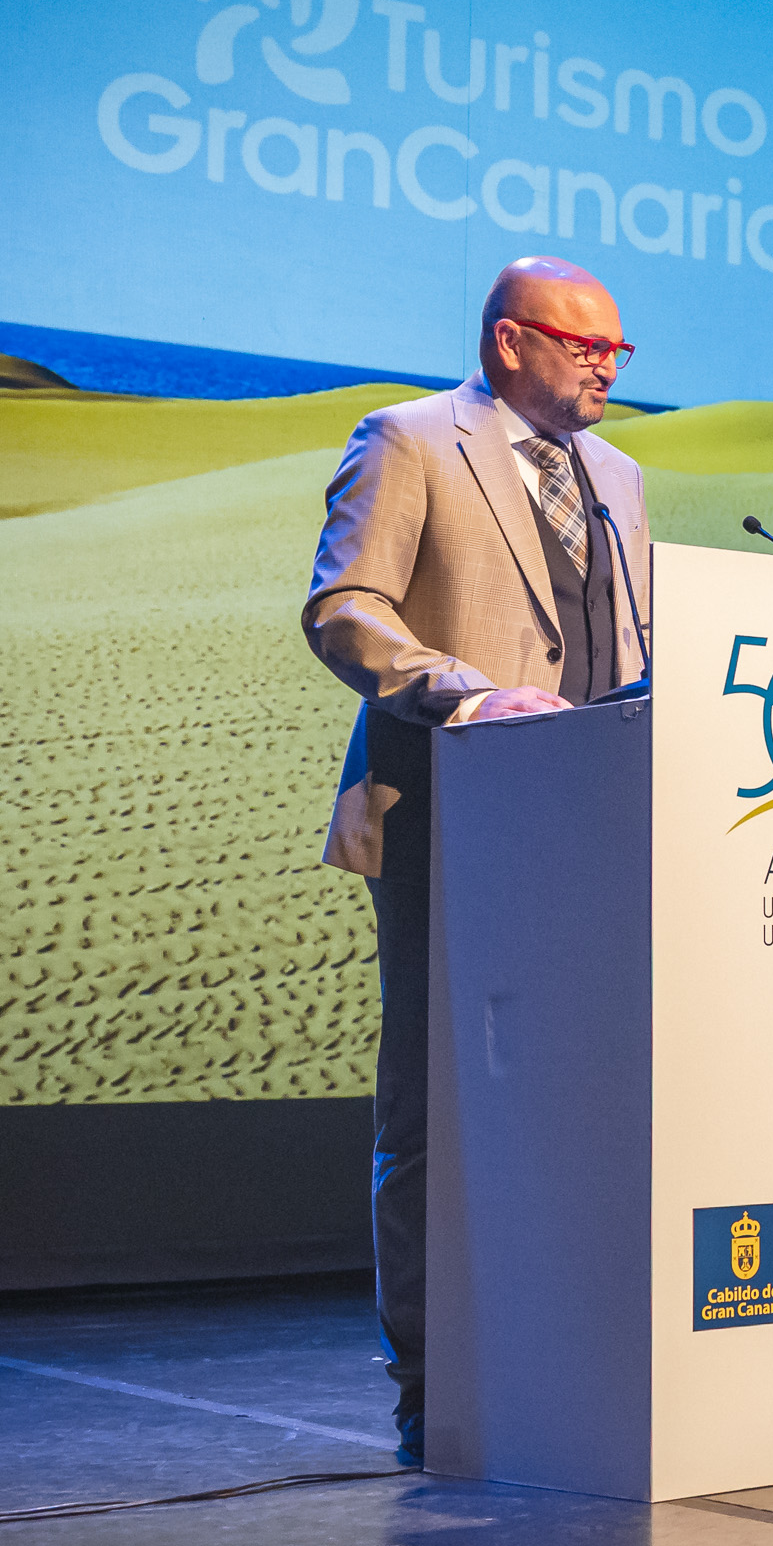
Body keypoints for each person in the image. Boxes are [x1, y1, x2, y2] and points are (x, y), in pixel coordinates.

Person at [301, 256, 649, 1465]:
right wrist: (467, 693)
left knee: (598, 1091)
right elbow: (345, 607)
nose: (609, 364)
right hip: (453, 804)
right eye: (585, 343)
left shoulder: (620, 477)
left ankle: (584, 1340)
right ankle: (432, 1372)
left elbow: (625, 643)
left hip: (596, 815)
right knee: (438, 1096)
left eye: (619, 350)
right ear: (509, 341)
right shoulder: (409, 438)